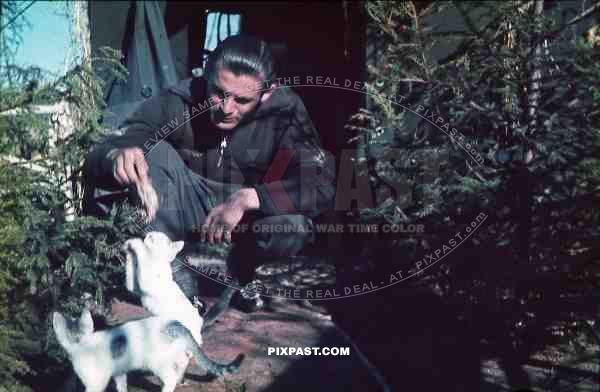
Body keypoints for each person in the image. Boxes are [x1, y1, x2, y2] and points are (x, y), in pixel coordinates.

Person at [82, 34, 337, 312]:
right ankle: (171, 275)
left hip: (246, 224)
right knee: (153, 153)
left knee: (293, 225)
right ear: (206, 75)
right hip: (185, 214)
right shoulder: (179, 98)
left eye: (242, 100)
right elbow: (111, 145)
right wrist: (118, 153)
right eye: (218, 92)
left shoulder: (286, 113)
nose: (226, 109)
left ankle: (242, 275)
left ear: (267, 93)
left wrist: (248, 198)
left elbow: (322, 184)